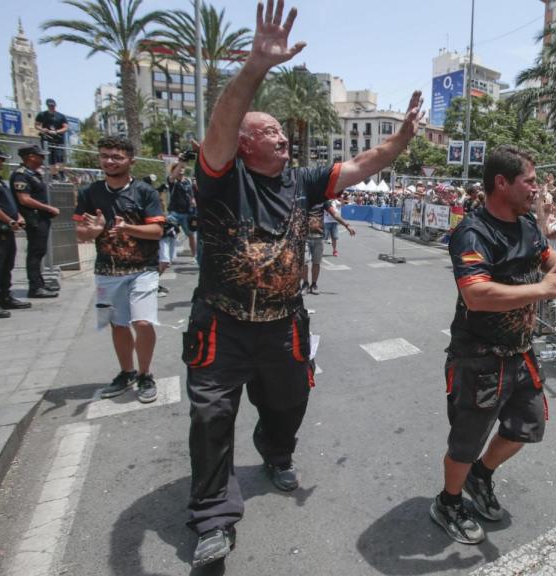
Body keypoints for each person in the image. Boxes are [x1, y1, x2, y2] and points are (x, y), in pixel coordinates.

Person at [183, 2, 424, 566]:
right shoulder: (220, 178)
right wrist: (255, 68)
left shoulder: (303, 181)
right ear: (244, 144)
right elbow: (219, 128)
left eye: (279, 129)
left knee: (289, 401)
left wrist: (403, 138)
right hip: (222, 325)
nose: (281, 136)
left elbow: (365, 163)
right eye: (268, 131)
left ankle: (276, 451)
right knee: (211, 416)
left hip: (283, 325)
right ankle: (213, 517)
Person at [435, 144, 556, 545]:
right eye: (529, 181)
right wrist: (543, 290)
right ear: (501, 183)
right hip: (479, 356)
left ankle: (480, 476)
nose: (536, 188)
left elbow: (546, 256)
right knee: (467, 441)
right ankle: (448, 502)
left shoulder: (525, 222)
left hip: (520, 351)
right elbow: (476, 294)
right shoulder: (472, 232)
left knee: (527, 425)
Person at [73, 135, 164, 405]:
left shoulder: (145, 192)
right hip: (107, 271)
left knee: (143, 322)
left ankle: (145, 374)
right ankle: (127, 372)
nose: (109, 161)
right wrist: (93, 231)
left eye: (117, 157)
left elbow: (157, 231)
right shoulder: (89, 193)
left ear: (130, 161)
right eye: (104, 156)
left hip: (143, 269)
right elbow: (80, 232)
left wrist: (127, 228)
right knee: (119, 324)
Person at [0, 145, 30, 318]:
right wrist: (9, 220)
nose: (2, 163)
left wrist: (17, 216)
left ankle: (4, 297)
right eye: (0, 160)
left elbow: (6, 201)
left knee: (6, 264)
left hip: (5, 230)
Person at [10, 145, 60, 298]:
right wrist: (48, 208)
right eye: (40, 156)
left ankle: (39, 283)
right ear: (31, 157)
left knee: (39, 252)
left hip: (41, 218)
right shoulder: (21, 175)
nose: (43, 158)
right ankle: (35, 287)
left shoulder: (33, 174)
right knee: (35, 253)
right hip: (34, 218)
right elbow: (24, 199)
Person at [166, 155, 198, 258]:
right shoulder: (172, 181)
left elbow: (193, 194)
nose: (181, 169)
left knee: (191, 235)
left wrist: (193, 200)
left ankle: (194, 256)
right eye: (178, 168)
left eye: (183, 168)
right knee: (170, 234)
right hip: (174, 213)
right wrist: (180, 162)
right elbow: (172, 176)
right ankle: (169, 257)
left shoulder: (188, 181)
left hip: (187, 213)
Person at [35, 99, 68, 175]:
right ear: (47, 106)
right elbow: (36, 125)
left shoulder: (61, 116)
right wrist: (42, 129)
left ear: (55, 105)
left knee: (60, 157)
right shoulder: (42, 115)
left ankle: (61, 174)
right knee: (50, 159)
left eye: (53, 105)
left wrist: (56, 132)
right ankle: (54, 175)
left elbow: (66, 127)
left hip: (58, 140)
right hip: (47, 139)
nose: (51, 107)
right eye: (50, 106)